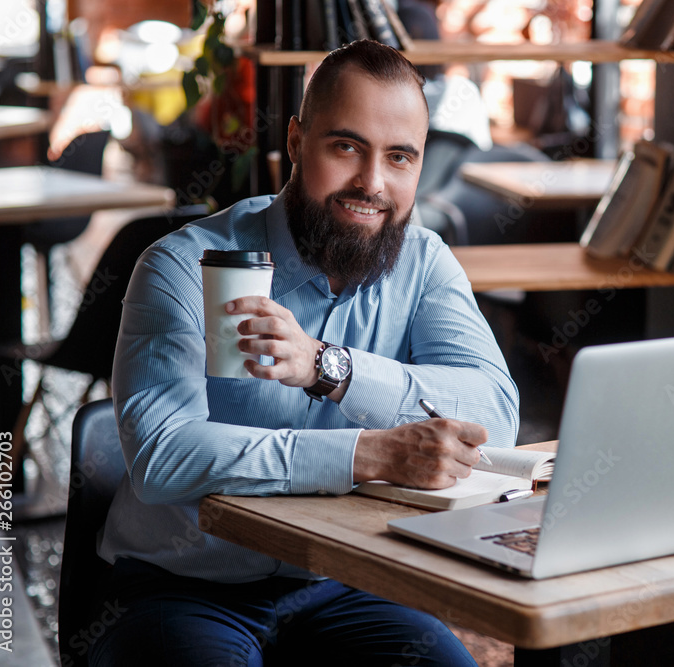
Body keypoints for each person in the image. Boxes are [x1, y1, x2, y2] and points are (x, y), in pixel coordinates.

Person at [89, 39, 519, 666]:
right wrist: (363, 455)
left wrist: (330, 367)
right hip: (184, 584)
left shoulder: (423, 262)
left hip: (346, 580)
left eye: (400, 157)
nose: (372, 183)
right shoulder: (184, 265)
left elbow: (497, 414)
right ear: (295, 142)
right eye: (346, 147)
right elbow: (162, 455)